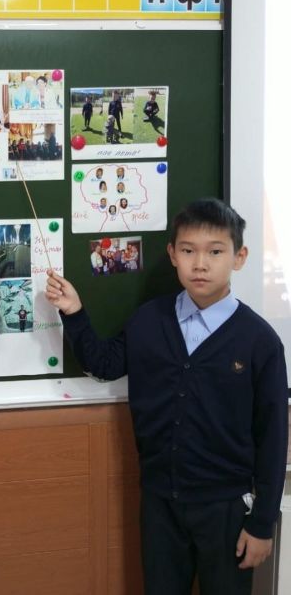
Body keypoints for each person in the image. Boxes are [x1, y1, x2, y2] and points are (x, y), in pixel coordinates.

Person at [45, 198, 288, 595]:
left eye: (215, 252)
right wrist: (74, 312)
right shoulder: (149, 320)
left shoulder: (260, 341)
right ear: (173, 254)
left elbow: (273, 437)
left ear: (239, 257)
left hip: (226, 507)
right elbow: (105, 363)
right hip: (160, 501)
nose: (200, 264)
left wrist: (262, 524)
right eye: (188, 251)